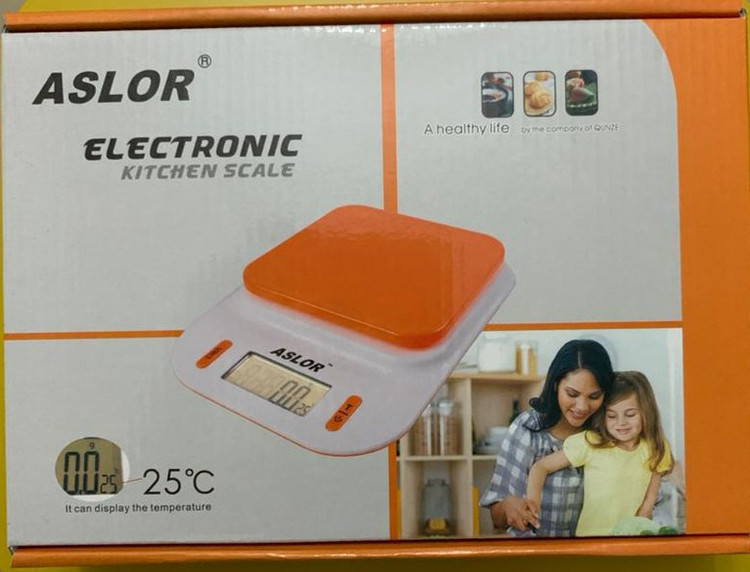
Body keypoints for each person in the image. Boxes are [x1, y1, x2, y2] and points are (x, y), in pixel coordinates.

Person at [479, 339, 614, 537]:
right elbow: (496, 518)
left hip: (591, 551)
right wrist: (508, 506)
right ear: (556, 384)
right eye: (572, 394)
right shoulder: (528, 429)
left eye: (594, 396)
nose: (582, 406)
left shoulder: (608, 431)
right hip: (535, 552)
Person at [526, 371, 673, 536]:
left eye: (630, 414)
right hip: (592, 538)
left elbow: (654, 481)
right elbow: (541, 467)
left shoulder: (655, 447)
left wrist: (645, 512)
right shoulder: (591, 442)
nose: (621, 423)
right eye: (612, 416)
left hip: (632, 538)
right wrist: (532, 504)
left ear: (647, 412)